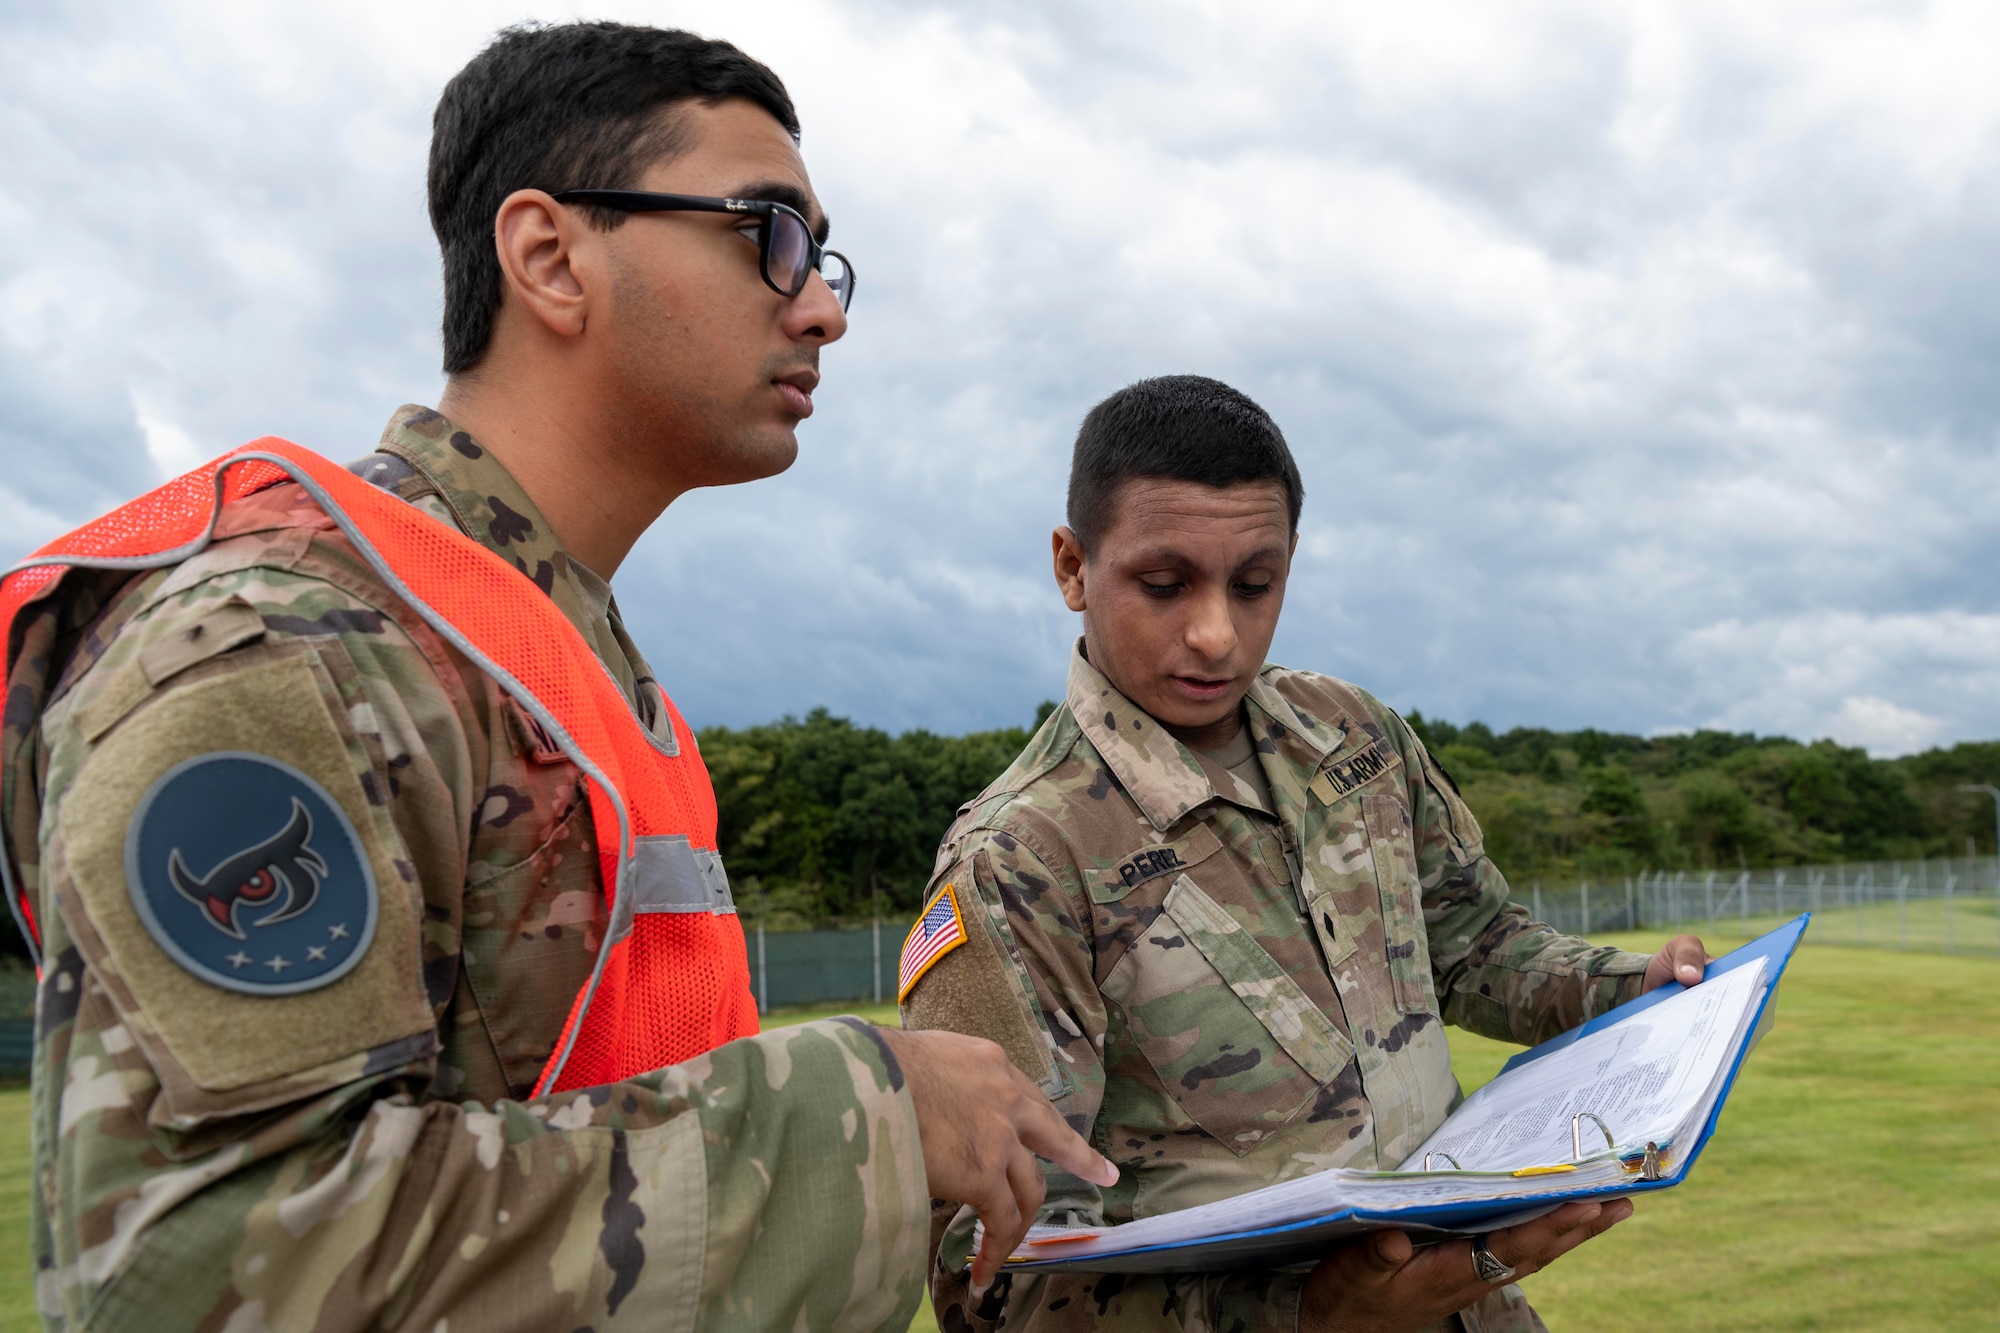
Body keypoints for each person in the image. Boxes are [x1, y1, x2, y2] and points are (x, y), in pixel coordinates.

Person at [1, 22, 1111, 1332]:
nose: (823, 305)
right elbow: (191, 1269)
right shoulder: (289, 648)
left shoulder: (559, 661)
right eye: (770, 233)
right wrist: (862, 1117)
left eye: (821, 256)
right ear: (548, 258)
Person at [899, 375, 1709, 1333]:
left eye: (1255, 583)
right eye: (1164, 585)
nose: (1216, 634)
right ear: (1073, 568)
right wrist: (1306, 1313)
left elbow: (1477, 945)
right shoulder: (1020, 859)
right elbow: (993, 1282)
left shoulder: (1350, 734)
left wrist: (1635, 990)